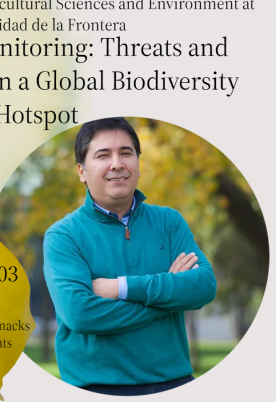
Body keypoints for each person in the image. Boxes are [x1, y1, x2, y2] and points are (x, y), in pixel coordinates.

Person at [43, 117, 217, 396]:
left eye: (126, 153)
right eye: (103, 155)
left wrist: (121, 287)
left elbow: (204, 286)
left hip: (176, 383)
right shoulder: (64, 235)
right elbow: (81, 314)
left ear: (138, 163)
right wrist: (168, 299)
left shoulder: (169, 222)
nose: (117, 163)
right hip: (96, 388)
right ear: (82, 171)